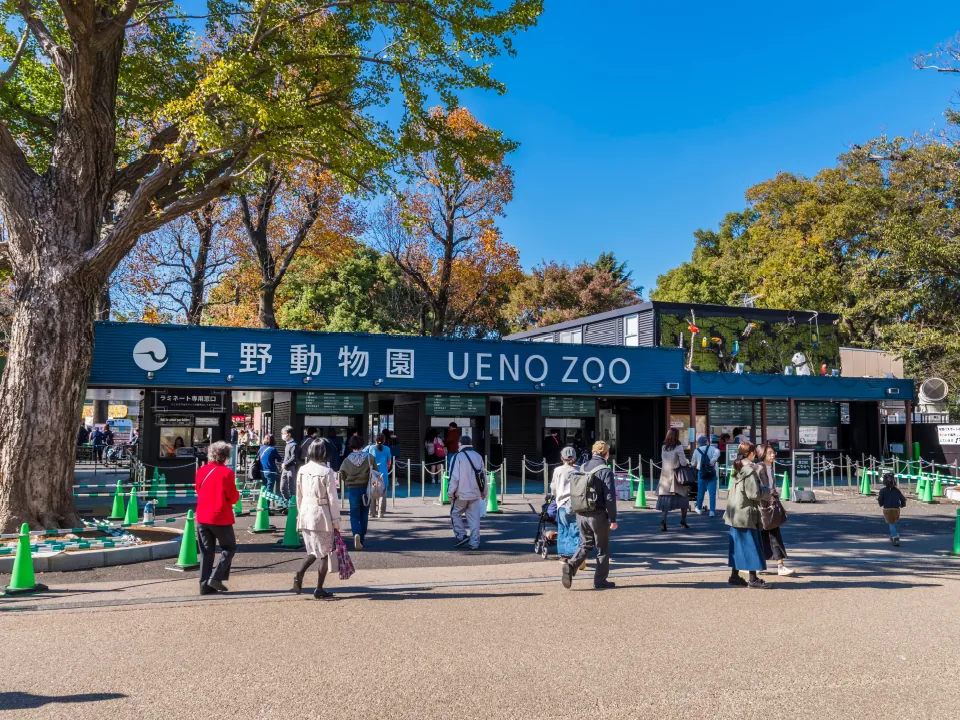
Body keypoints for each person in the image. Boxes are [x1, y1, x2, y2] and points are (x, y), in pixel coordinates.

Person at [562, 440, 618, 591]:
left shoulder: (583, 466)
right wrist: (613, 519)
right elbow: (610, 498)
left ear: (593, 452)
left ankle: (571, 565)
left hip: (581, 513)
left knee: (585, 543)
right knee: (603, 548)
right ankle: (600, 581)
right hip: (598, 515)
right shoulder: (605, 471)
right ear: (606, 454)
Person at [293, 439, 341, 599]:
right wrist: (336, 520)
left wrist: (300, 514)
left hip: (306, 513)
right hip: (322, 514)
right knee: (326, 552)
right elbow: (333, 499)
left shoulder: (302, 469)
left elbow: (298, 495)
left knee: (313, 550)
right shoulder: (327, 472)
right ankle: (319, 588)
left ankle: (300, 573)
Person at [195, 441, 240, 595]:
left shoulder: (202, 470)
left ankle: (204, 585)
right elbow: (233, 497)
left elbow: (198, 490)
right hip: (220, 516)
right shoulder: (227, 473)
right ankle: (216, 577)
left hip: (202, 516)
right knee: (229, 547)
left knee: (206, 552)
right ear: (226, 456)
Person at [724, 441, 771, 589]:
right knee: (751, 546)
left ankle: (735, 576)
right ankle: (753, 579)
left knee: (737, 547)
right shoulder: (750, 471)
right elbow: (754, 494)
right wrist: (768, 491)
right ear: (751, 453)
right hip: (746, 514)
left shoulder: (737, 468)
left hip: (734, 512)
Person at [755, 444, 795, 576]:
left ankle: (771, 565)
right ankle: (777, 565)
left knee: (770, 534)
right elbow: (759, 489)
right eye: (770, 453)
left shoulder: (769, 468)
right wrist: (769, 492)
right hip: (763, 507)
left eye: (773, 453)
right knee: (769, 535)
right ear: (762, 454)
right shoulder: (760, 468)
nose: (773, 455)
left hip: (769, 506)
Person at [448, 436, 487, 550]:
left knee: (455, 513)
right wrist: (484, 492)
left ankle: (461, 535)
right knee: (474, 520)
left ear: (459, 444)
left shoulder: (457, 457)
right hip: (475, 494)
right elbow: (483, 476)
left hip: (461, 494)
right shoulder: (478, 456)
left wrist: (450, 493)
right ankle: (474, 543)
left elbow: (454, 477)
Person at [339, 435, 373, 550]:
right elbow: (376, 473)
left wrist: (347, 481)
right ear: (362, 444)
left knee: (354, 514)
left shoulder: (347, 460)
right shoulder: (369, 457)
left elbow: (342, 473)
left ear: (351, 445)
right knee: (364, 514)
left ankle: (356, 533)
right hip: (366, 489)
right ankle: (361, 539)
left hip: (353, 489)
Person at [550, 446, 581, 559]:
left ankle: (564, 555)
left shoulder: (558, 470)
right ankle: (576, 555)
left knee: (563, 529)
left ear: (562, 458)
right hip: (577, 504)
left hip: (562, 503)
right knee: (576, 530)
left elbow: (553, 488)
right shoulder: (580, 469)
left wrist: (554, 495)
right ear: (575, 457)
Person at [657, 427, 690, 531]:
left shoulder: (664, 447)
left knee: (665, 501)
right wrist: (688, 463)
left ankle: (663, 521)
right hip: (676, 477)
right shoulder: (678, 447)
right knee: (683, 499)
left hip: (664, 477)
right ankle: (683, 521)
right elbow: (683, 462)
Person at [691, 435, 720, 517]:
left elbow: (693, 463)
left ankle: (699, 508)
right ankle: (712, 511)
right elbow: (718, 452)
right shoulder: (713, 449)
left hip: (701, 473)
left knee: (700, 491)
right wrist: (712, 461)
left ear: (699, 443)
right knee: (712, 493)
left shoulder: (697, 451)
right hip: (711, 472)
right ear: (706, 442)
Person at [366, 432, 393, 518]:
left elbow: (365, 457)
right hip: (383, 475)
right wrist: (386, 468)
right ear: (384, 440)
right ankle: (380, 513)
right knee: (382, 492)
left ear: (375, 440)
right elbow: (389, 462)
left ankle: (372, 512)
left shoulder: (371, 448)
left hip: (373, 474)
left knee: (373, 491)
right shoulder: (387, 449)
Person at [878, 472, 907, 547]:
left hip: (887, 508)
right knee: (894, 522)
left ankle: (895, 537)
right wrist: (903, 504)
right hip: (896, 508)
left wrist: (880, 503)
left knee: (891, 524)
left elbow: (880, 499)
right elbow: (903, 499)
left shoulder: (883, 490)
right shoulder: (897, 490)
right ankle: (894, 535)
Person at [280, 426, 298, 500]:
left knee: (291, 488)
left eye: (284, 433)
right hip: (285, 468)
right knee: (282, 488)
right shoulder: (287, 444)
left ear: (289, 434)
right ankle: (288, 503)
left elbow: (294, 458)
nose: (283, 435)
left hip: (291, 468)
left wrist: (285, 463)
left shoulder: (293, 445)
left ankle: (292, 506)